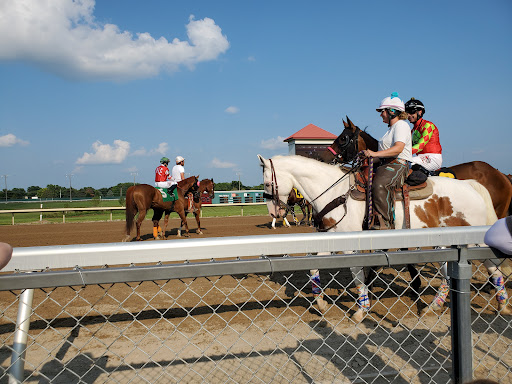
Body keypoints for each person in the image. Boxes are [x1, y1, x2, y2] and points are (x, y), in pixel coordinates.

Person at [362, 92, 413, 230]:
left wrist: (375, 153)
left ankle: (386, 224)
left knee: (379, 185)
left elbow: (398, 149)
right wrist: (368, 157)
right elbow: (382, 155)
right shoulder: (390, 130)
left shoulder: (401, 125)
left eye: (382, 111)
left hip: (398, 164)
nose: (380, 114)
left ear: (392, 111)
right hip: (387, 164)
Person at [405, 98, 442, 173]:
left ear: (420, 112)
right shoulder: (413, 131)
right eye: (406, 113)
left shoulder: (428, 125)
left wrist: (401, 153)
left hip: (433, 158)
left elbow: (420, 146)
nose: (408, 115)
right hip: (421, 158)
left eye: (411, 112)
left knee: (405, 162)